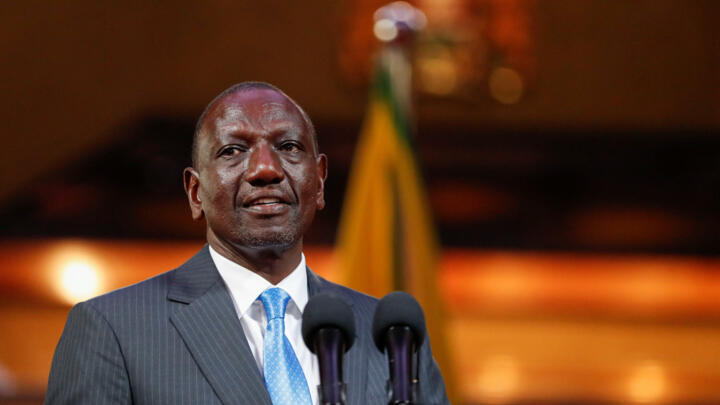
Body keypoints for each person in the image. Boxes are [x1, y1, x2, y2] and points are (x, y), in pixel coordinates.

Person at [45, 82, 450, 405]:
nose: (266, 169)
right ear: (195, 193)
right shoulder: (114, 330)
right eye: (233, 151)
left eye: (288, 147)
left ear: (320, 181)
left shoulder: (393, 336)